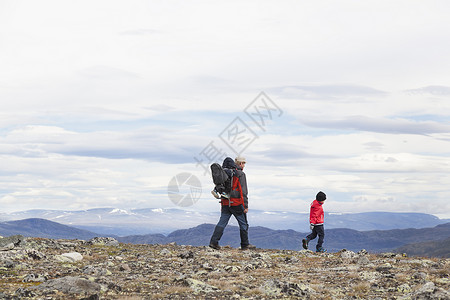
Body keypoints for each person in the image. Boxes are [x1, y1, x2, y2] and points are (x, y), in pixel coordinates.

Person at [209, 156, 255, 250]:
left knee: (222, 223)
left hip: (225, 202)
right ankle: (245, 244)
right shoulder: (240, 174)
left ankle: (214, 242)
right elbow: (243, 191)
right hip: (237, 203)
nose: (244, 165)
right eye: (244, 163)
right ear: (241, 164)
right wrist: (245, 206)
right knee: (243, 224)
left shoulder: (223, 173)